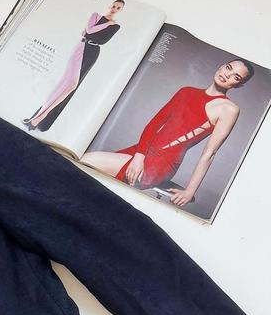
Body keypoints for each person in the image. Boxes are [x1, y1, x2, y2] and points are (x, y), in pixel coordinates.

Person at [81, 59, 254, 206]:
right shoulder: (186, 91)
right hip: (141, 151)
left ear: (238, 85)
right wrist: (139, 156)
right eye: (228, 68)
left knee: (87, 161)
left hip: (160, 164)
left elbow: (210, 153)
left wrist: (190, 191)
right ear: (221, 66)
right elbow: (154, 124)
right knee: (90, 176)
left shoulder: (228, 109)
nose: (227, 75)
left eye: (236, 77)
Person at [23, 0, 124, 131]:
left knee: (72, 87)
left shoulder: (116, 26)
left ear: (120, 11)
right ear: (110, 5)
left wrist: (93, 32)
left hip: (93, 53)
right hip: (80, 48)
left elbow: (102, 40)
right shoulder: (96, 16)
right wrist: (105, 25)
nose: (114, 9)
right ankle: (36, 118)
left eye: (118, 8)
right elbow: (89, 31)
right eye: (114, 6)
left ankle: (42, 122)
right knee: (66, 84)